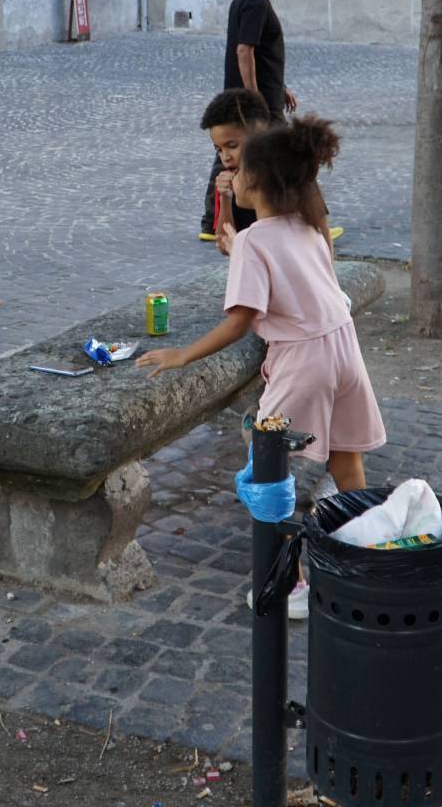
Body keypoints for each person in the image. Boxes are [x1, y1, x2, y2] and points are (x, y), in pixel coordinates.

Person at [141, 116, 384, 619]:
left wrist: (181, 355)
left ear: (256, 180)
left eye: (239, 168)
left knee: (268, 469)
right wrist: (237, 241)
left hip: (302, 360)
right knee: (346, 460)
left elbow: (240, 321)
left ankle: (288, 584)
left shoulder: (255, 242)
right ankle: (364, 558)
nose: (230, 172)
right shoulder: (308, 224)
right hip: (344, 347)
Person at [201, 0, 295, 240]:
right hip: (260, 104)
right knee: (290, 155)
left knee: (229, 154)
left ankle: (212, 221)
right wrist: (256, 101)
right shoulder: (256, 3)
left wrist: (281, 87)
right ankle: (305, 217)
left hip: (261, 98)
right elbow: (245, 50)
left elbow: (262, 55)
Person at [201, 87, 278, 256]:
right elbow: (224, 245)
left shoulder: (290, 174)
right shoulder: (231, 182)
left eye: (232, 146)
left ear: (260, 137)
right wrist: (225, 198)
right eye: (218, 149)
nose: (225, 157)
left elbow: (319, 228)